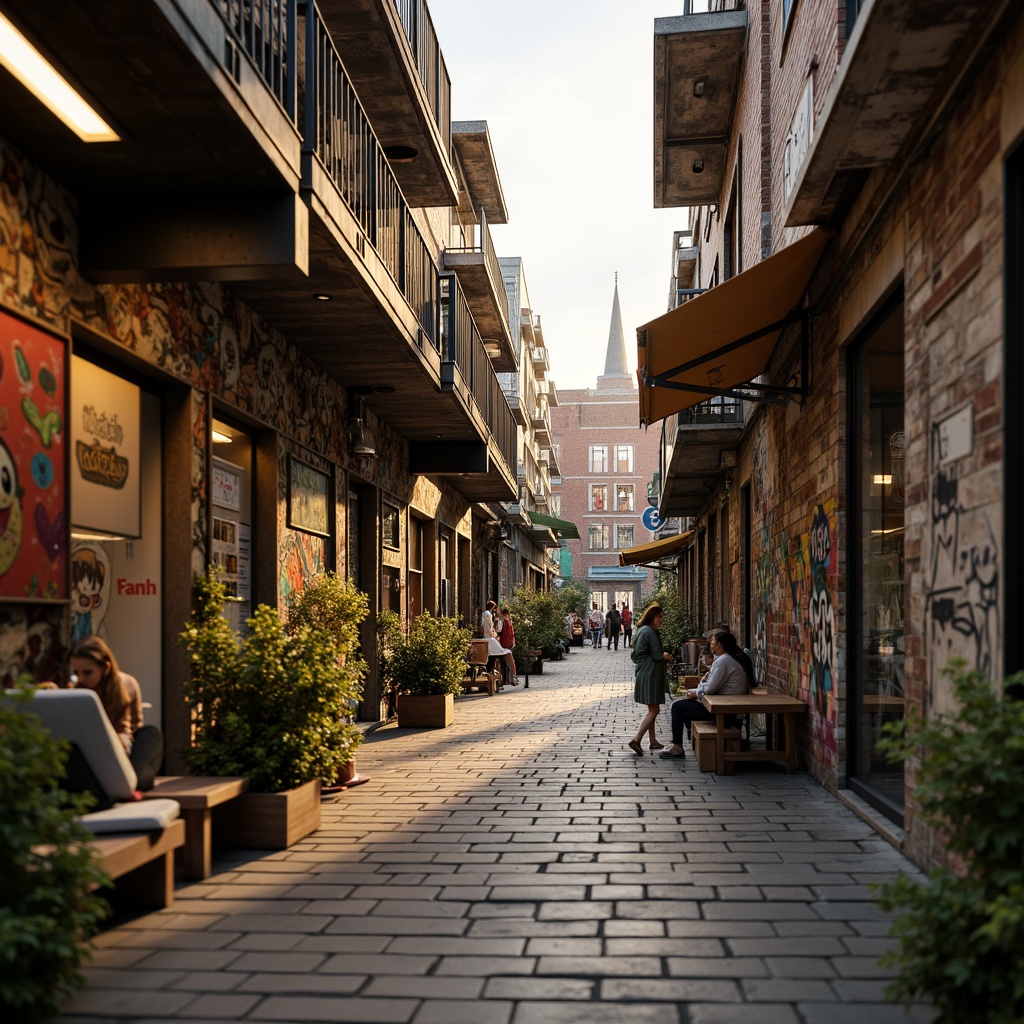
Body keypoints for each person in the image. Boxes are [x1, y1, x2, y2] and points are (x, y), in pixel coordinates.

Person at [68, 635, 163, 790]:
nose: (81, 678)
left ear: (106, 667)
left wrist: (120, 743)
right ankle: (128, 784)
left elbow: (133, 727)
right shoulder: (77, 691)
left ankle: (132, 782)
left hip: (122, 746)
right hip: (89, 751)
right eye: (76, 673)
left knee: (150, 734)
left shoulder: (126, 684)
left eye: (87, 672)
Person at [659, 628, 754, 759]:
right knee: (684, 711)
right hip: (723, 705)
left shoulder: (723, 661)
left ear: (720, 644)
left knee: (676, 707)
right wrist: (698, 690)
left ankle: (677, 747)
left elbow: (710, 689)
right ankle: (682, 743)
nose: (710, 642)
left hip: (725, 711)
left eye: (713, 640)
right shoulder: (725, 659)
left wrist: (696, 692)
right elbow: (710, 684)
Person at [627, 604, 672, 755]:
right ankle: (637, 739)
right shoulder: (649, 632)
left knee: (652, 708)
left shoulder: (643, 630)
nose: (661, 620)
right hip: (650, 672)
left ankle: (652, 741)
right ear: (652, 616)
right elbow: (656, 654)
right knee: (654, 709)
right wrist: (664, 656)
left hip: (647, 671)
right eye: (660, 617)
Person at [481, 600, 518, 685]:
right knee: (506, 657)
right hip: (498, 642)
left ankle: (510, 677)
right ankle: (510, 677)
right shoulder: (506, 620)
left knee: (506, 656)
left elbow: (490, 628)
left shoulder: (501, 620)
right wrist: (494, 635)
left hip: (497, 641)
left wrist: (495, 634)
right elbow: (490, 628)